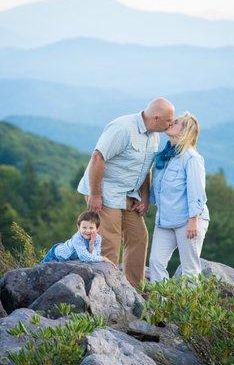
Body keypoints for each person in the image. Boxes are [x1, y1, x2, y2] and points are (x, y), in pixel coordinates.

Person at [77, 98, 175, 288]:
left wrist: (145, 198)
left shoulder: (154, 135)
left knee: (139, 236)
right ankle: (105, 290)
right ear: (155, 117)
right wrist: (95, 195)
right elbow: (97, 158)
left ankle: (133, 289)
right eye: (168, 120)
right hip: (105, 193)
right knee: (109, 242)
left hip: (129, 194)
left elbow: (146, 169)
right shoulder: (122, 128)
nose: (171, 124)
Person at [149, 112, 210, 282]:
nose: (170, 122)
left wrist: (193, 221)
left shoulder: (192, 158)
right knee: (155, 261)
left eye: (176, 122)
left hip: (188, 220)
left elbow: (197, 192)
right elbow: (158, 190)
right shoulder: (165, 157)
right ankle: (160, 307)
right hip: (165, 220)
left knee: (189, 268)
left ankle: (190, 308)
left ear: (184, 132)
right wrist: (145, 202)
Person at [41, 211, 115, 266]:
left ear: (97, 229)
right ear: (78, 227)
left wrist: (91, 244)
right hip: (56, 256)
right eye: (84, 227)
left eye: (91, 228)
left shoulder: (97, 238)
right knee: (39, 273)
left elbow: (95, 255)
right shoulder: (77, 238)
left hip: (69, 260)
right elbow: (84, 257)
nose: (87, 231)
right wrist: (103, 258)